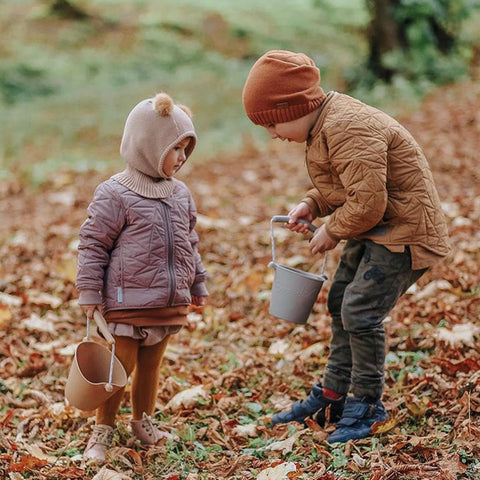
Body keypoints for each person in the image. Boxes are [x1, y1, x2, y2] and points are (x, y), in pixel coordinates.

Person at [242, 50, 450, 443]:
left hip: (405, 233)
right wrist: (312, 203)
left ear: (292, 107)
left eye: (271, 123)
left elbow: (369, 202)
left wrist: (332, 230)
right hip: (377, 229)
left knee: (361, 311)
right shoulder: (324, 125)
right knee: (340, 301)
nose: (271, 135)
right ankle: (334, 395)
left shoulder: (348, 126)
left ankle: (367, 406)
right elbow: (346, 185)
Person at [76, 92, 209, 463]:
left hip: (167, 303)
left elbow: (189, 242)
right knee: (119, 370)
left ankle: (143, 421)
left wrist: (197, 283)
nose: (182, 159)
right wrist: (89, 290)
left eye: (186, 150)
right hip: (125, 303)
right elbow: (92, 244)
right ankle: (102, 429)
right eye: (175, 149)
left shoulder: (180, 194)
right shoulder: (114, 193)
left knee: (150, 368)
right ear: (148, 145)